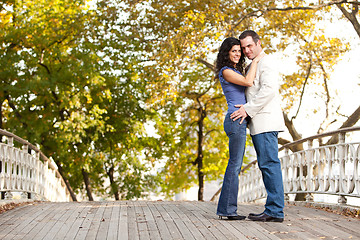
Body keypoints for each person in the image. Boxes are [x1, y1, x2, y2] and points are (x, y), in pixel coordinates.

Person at [230, 30, 285, 222]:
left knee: (270, 165)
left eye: (249, 46)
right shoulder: (254, 64)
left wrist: (247, 109)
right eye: (243, 47)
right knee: (266, 165)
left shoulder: (266, 62)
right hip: (258, 123)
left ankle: (275, 211)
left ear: (258, 42)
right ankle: (273, 209)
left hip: (266, 122)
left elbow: (268, 91)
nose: (246, 50)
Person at [215, 37, 263, 220]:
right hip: (235, 120)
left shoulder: (234, 70)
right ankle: (228, 210)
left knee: (235, 165)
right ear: (227, 52)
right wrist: (257, 60)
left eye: (238, 51)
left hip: (239, 120)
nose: (237, 54)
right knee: (234, 165)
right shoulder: (226, 71)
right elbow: (249, 82)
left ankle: (226, 209)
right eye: (233, 51)